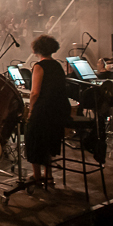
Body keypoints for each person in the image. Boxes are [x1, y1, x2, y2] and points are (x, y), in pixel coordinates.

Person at [24, 35, 69, 186]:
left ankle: (37, 176)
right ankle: (48, 176)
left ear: (36, 49)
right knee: (48, 141)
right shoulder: (57, 65)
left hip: (44, 109)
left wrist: (31, 110)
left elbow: (35, 93)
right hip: (59, 110)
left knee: (33, 138)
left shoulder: (39, 66)